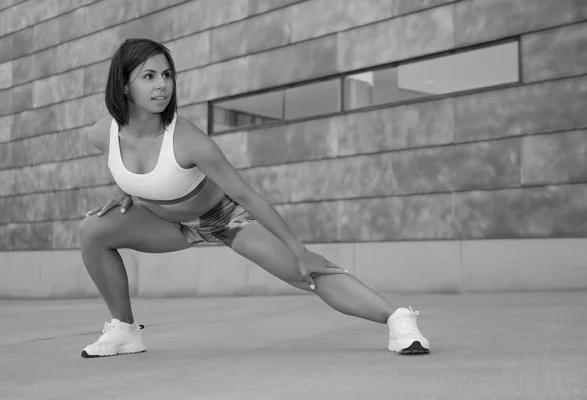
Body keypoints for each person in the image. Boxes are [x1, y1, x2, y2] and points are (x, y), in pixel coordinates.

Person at [79, 38, 430, 358]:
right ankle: (124, 330)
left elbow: (246, 194)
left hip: (225, 217)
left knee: (305, 273)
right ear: (124, 85)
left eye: (167, 74)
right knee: (92, 229)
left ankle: (397, 320)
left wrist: (299, 249)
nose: (162, 85)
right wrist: (125, 190)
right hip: (170, 224)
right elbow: (125, 161)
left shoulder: (187, 139)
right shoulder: (103, 133)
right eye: (149, 76)